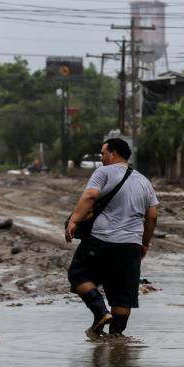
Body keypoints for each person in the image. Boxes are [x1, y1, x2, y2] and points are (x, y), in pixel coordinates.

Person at [65, 138, 159, 340]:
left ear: (114, 153)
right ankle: (116, 338)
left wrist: (74, 220)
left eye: (103, 154)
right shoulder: (144, 181)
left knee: (78, 274)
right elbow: (152, 216)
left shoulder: (103, 173)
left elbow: (90, 195)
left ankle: (100, 311)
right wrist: (144, 243)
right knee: (123, 294)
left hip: (101, 239)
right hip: (131, 245)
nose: (101, 158)